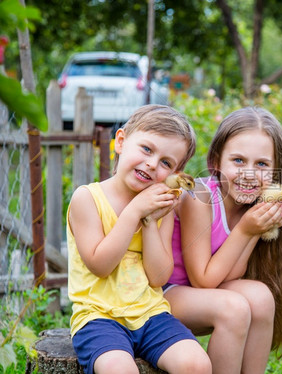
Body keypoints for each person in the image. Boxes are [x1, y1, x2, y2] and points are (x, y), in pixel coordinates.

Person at [66, 105, 212, 374]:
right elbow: (100, 265)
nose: (152, 164)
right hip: (98, 317)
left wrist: (148, 221)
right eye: (147, 149)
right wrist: (135, 211)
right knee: (119, 369)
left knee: (197, 364)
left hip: (151, 314)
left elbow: (158, 277)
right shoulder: (87, 199)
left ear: (173, 175)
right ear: (120, 142)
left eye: (166, 163)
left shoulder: (160, 210)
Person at [164, 106, 282, 373]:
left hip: (196, 296)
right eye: (238, 160)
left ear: (275, 172)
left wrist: (254, 229)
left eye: (261, 164)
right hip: (159, 294)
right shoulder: (200, 198)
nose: (249, 174)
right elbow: (203, 279)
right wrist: (247, 231)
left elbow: (230, 274)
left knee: (261, 297)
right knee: (233, 307)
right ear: (216, 161)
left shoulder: (250, 206)